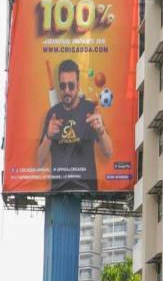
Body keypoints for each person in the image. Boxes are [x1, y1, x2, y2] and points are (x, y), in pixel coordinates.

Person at [37, 59, 113, 192]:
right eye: (62, 86)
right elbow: (40, 159)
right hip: (58, 191)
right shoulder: (53, 114)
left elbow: (108, 152)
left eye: (71, 86)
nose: (66, 91)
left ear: (78, 85)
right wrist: (48, 136)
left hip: (86, 190)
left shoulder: (90, 109)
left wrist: (101, 131)